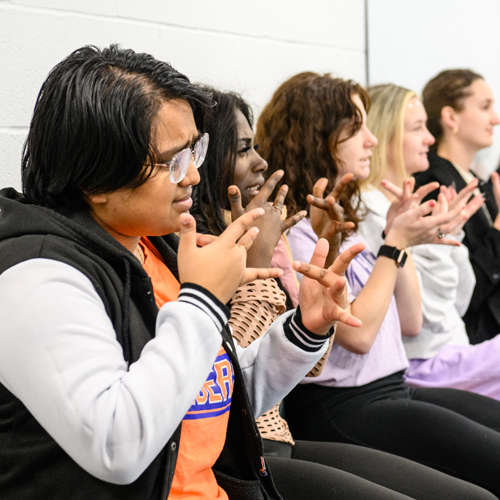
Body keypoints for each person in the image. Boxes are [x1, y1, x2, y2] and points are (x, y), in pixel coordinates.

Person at [0, 45, 365, 500]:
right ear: (95, 180)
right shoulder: (36, 277)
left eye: (197, 150)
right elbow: (118, 445)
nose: (194, 174)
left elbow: (206, 395)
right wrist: (204, 301)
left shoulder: (156, 245)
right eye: (174, 160)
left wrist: (302, 330)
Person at [192, 87, 500, 499]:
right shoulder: (283, 230)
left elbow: (408, 318)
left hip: (373, 394)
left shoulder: (329, 222)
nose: (370, 140)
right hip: (336, 406)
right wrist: (393, 244)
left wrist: (397, 242)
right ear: (317, 139)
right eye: (356, 129)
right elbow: (357, 336)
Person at [358, 83, 500, 400]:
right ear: (385, 136)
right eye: (417, 128)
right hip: (423, 363)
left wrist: (450, 237)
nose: (430, 138)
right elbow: (421, 319)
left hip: (451, 350)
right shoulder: (369, 209)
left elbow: (456, 303)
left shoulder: (409, 204)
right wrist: (438, 240)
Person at [414, 69, 500, 343]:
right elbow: (462, 294)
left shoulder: (474, 180)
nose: (495, 119)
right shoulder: (433, 184)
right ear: (450, 117)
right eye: (485, 107)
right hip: (471, 341)